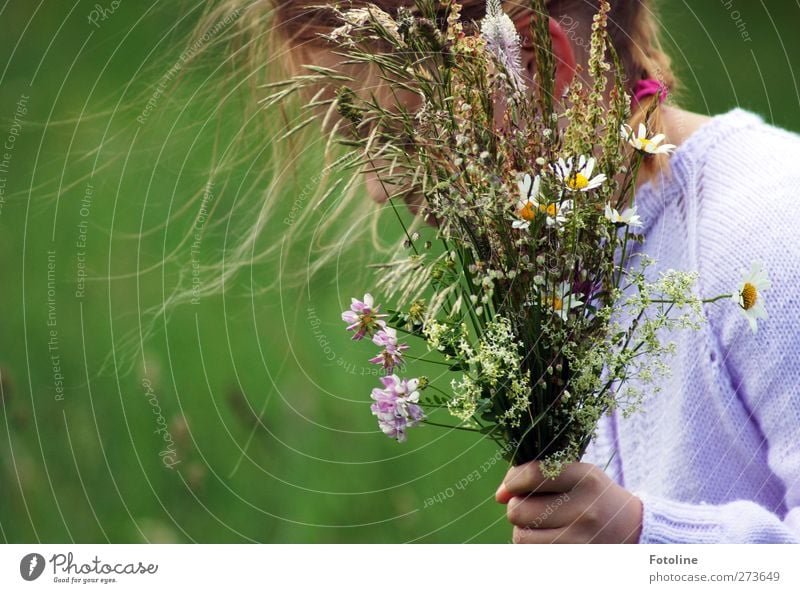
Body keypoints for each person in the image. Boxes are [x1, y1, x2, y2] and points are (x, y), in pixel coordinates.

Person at [232, 0, 800, 542]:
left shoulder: (772, 227)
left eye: (395, 135)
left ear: (529, 62)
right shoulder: (562, 267)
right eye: (363, 143)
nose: (378, 188)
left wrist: (646, 540)